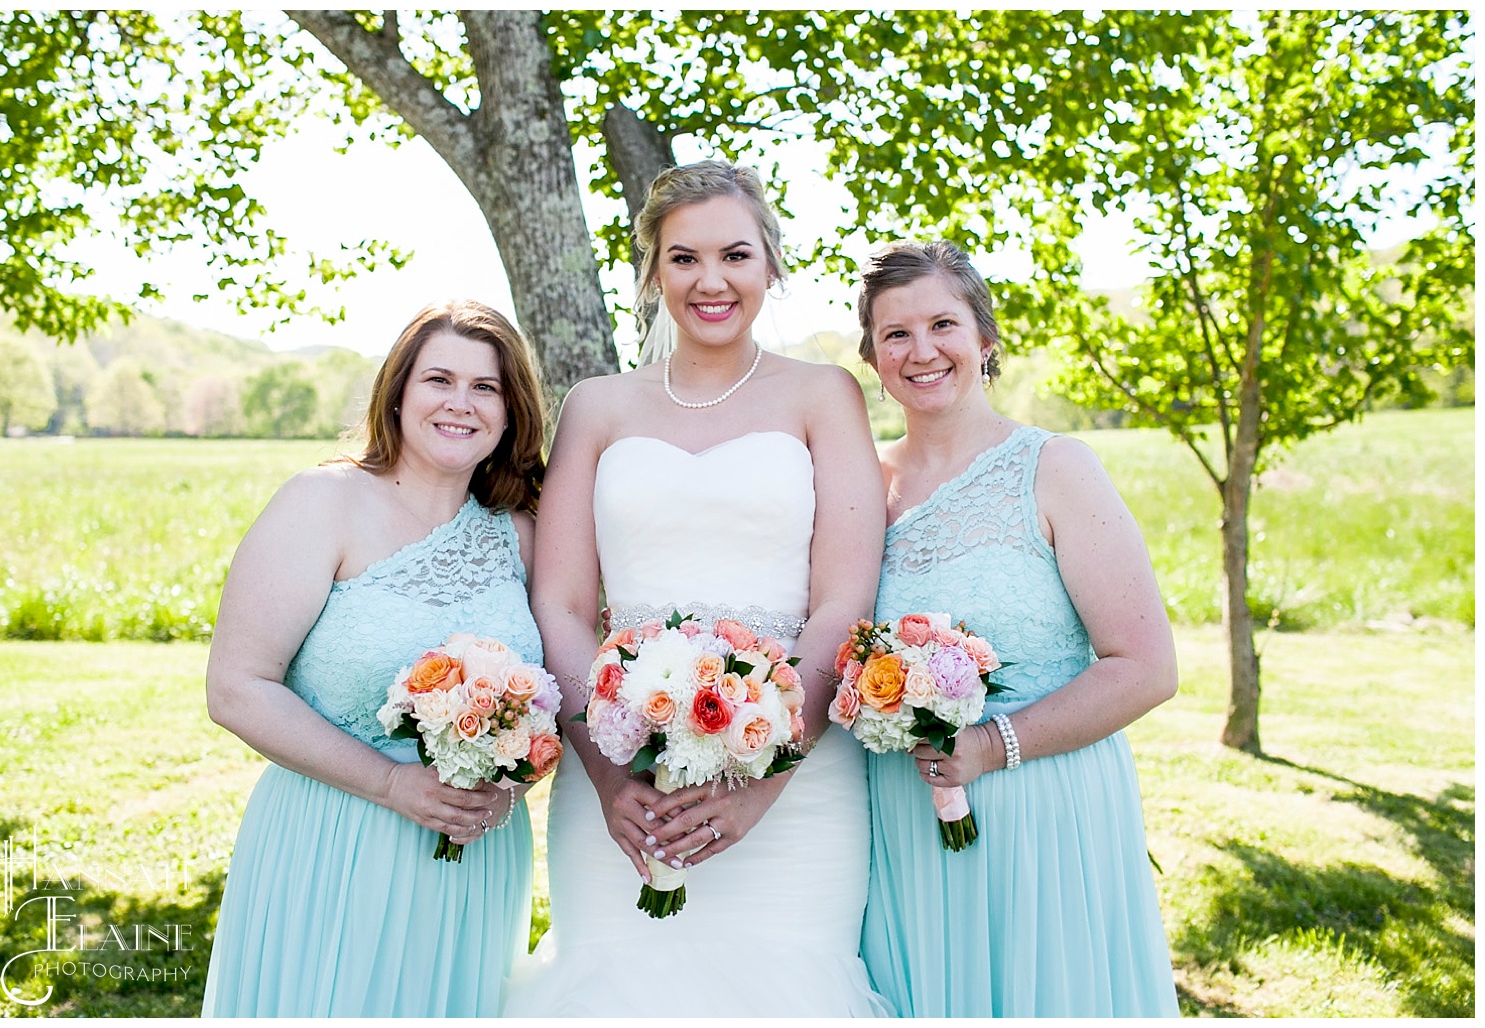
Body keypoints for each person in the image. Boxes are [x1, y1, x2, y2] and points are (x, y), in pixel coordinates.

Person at [504, 160, 892, 1017]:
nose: (710, 281)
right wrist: (611, 778)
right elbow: (561, 604)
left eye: (735, 256)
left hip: (798, 788)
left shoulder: (824, 395)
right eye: (682, 259)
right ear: (650, 273)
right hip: (619, 773)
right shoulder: (597, 407)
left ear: (771, 266)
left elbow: (844, 599)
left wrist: (768, 773)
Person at [855, 241, 1180, 1017]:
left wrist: (992, 747)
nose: (922, 350)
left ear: (985, 339)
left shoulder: (1056, 467)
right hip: (898, 815)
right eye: (896, 334)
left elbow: (1145, 665)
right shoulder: (857, 482)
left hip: (1046, 808)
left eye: (943, 324)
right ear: (870, 355)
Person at [200, 301, 548, 1017]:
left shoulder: (524, 534)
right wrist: (392, 784)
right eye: (439, 380)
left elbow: (557, 702)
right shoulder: (321, 502)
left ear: (512, 413)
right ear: (397, 395)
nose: (461, 403)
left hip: (475, 857)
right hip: (333, 841)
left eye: (486, 388)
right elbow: (237, 687)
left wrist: (511, 785)